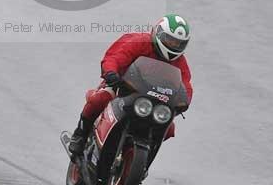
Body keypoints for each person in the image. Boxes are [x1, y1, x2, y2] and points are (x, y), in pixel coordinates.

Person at [68, 14, 193, 155]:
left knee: (168, 128)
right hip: (123, 87)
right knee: (100, 99)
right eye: (169, 40)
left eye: (178, 43)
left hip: (155, 100)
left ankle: (146, 158)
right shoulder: (138, 41)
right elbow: (114, 57)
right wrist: (111, 73)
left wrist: (184, 101)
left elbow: (186, 85)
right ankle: (80, 134)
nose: (173, 45)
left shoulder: (181, 62)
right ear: (158, 33)